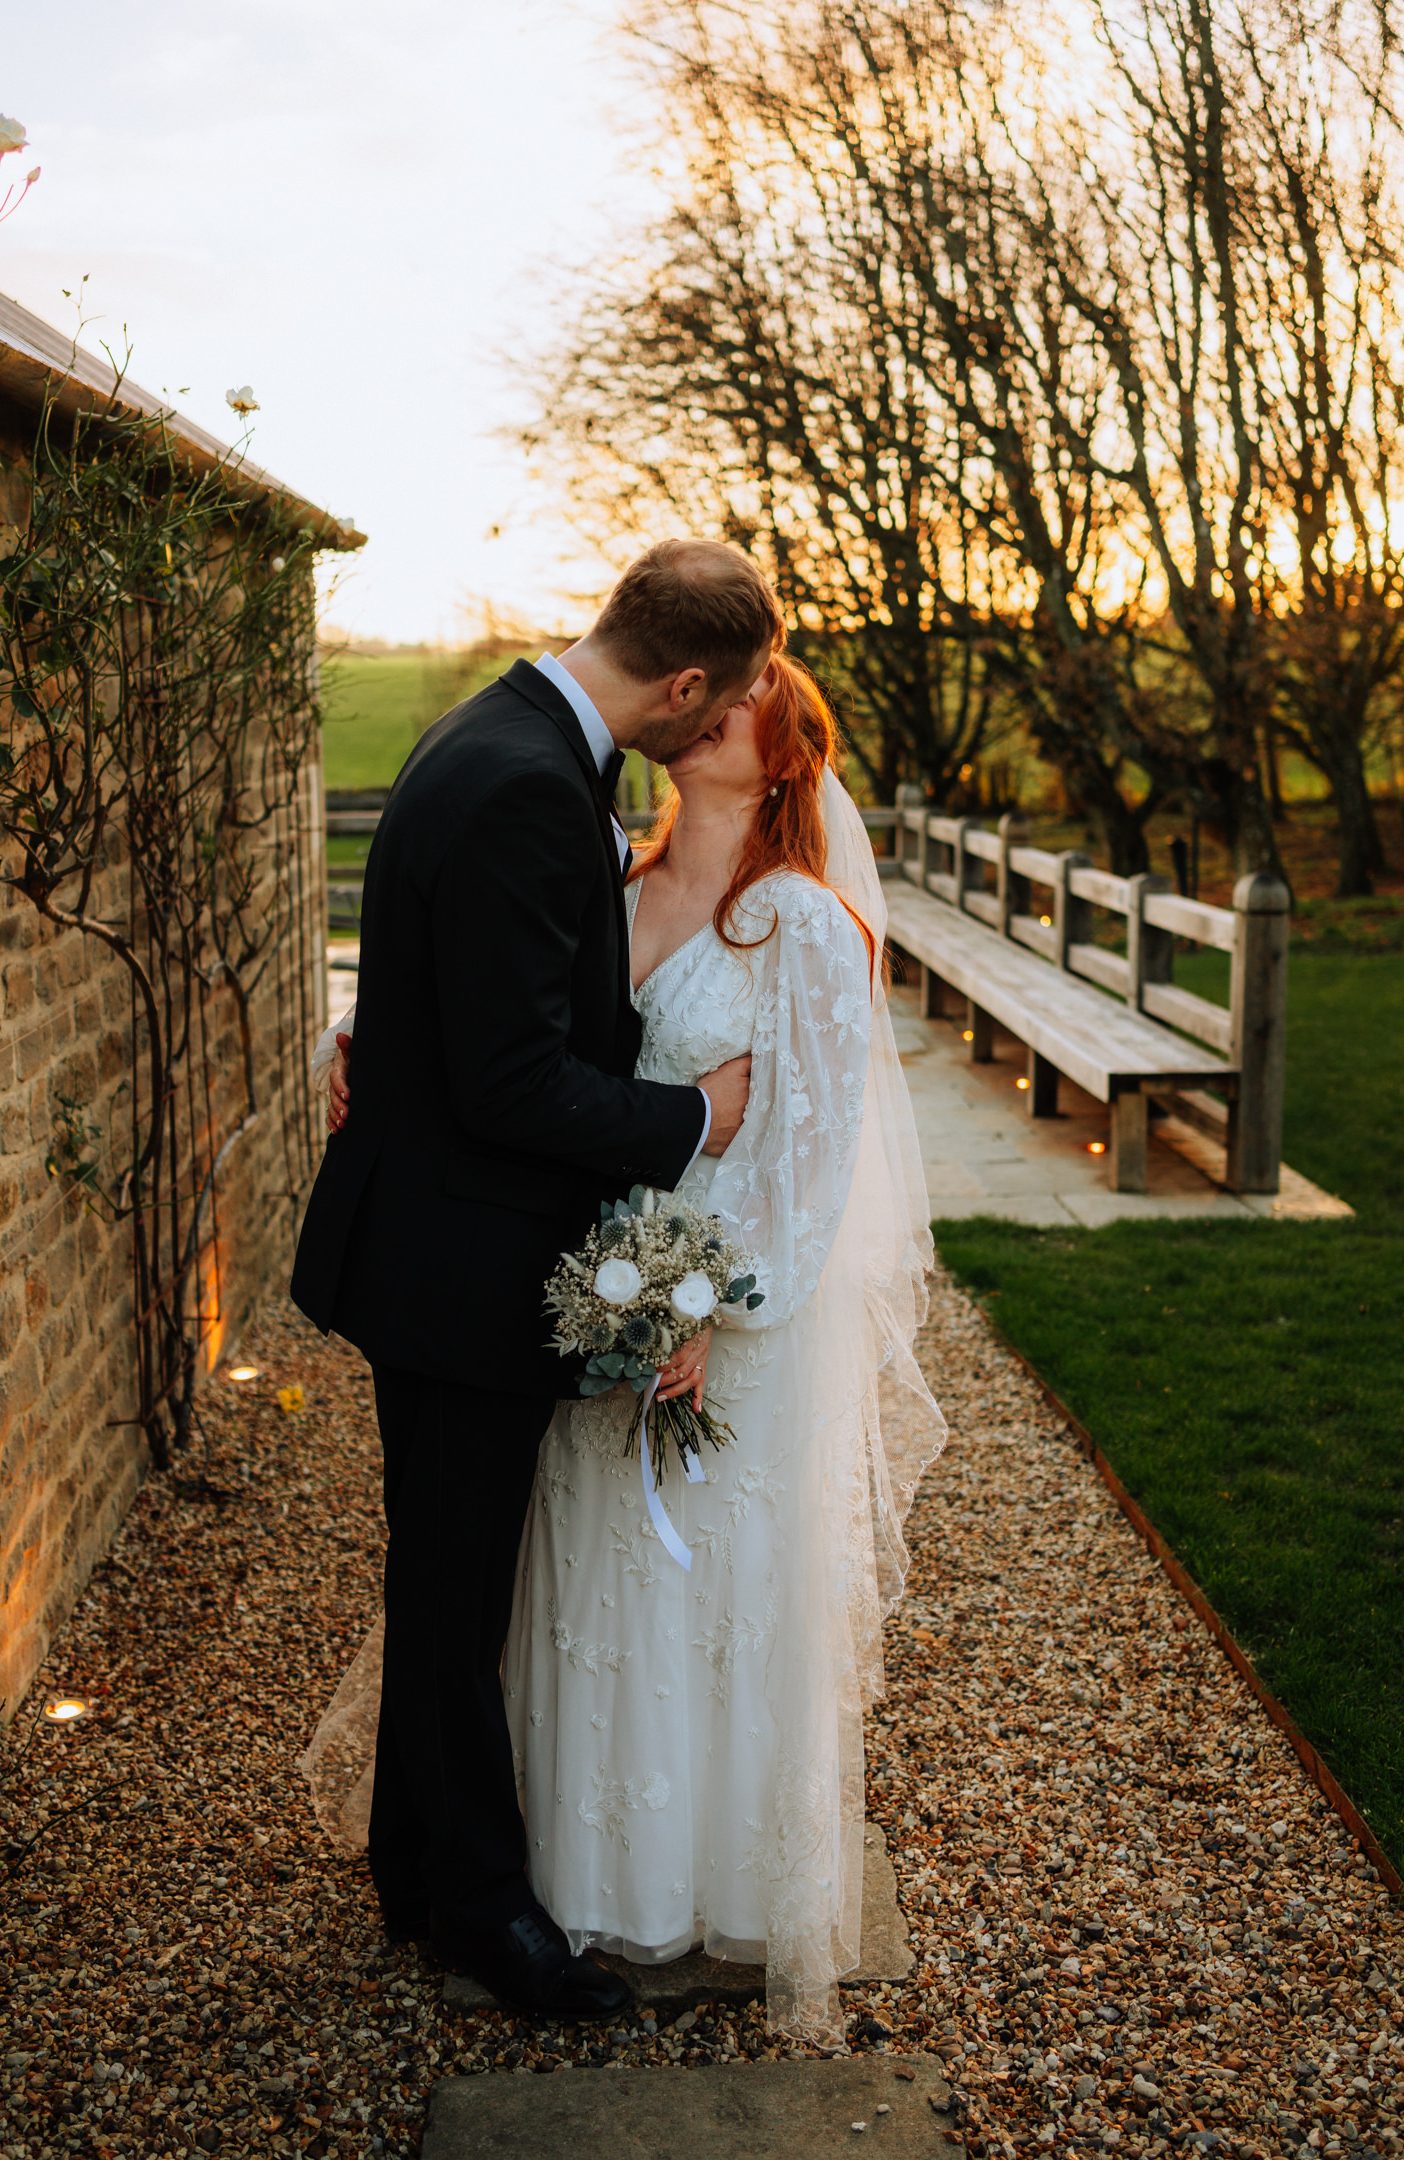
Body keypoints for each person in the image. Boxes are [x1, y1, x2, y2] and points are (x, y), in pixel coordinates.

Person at [304, 651, 946, 2045]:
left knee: (698, 1602)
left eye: (748, 704)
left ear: (778, 756)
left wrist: (712, 1303)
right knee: (571, 1595)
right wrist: (356, 1031)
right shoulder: (610, 869)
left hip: (715, 1329)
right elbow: (494, 993)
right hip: (572, 1304)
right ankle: (566, 1873)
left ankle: (697, 1878)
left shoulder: (801, 928)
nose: (711, 708)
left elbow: (812, 1159)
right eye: (711, 692)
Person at [290, 539, 783, 2021]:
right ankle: (488, 1917)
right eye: (721, 708)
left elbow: (447, 1012)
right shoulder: (526, 784)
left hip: (428, 1232)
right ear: (687, 681)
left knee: (440, 1578)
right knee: (456, 1593)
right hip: (461, 1263)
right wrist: (695, 1115)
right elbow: (513, 1079)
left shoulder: (495, 732)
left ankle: (416, 1862)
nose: (715, 735)